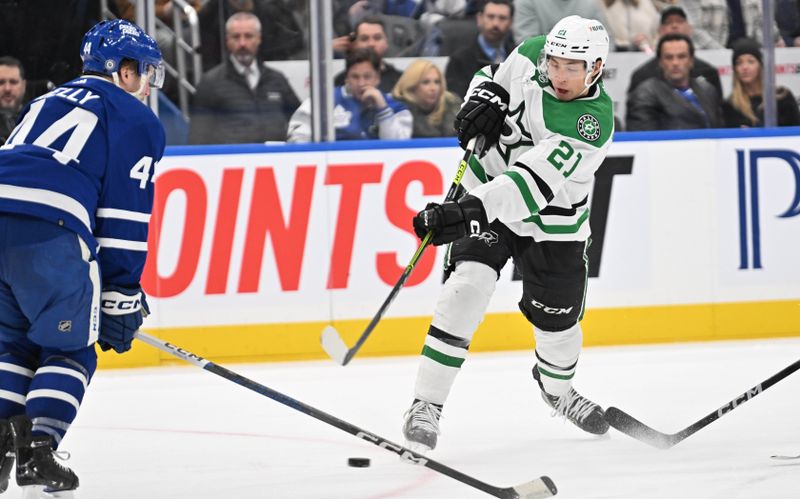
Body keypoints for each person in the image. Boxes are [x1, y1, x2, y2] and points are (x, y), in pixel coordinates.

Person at [401, 15, 614, 453]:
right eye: (555, 62)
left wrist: (462, 213)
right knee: (465, 289)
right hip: (486, 193)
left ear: (595, 68)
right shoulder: (533, 51)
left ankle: (556, 391)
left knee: (558, 331)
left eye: (572, 67)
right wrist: (484, 98)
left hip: (549, 224)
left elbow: (527, 186)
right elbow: (492, 77)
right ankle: (425, 405)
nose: (559, 74)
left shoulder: (590, 123)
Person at [0, 19, 165, 495]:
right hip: (48, 233)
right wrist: (122, 293)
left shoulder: (45, 100)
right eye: (146, 73)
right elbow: (125, 218)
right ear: (125, 71)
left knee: (13, 345)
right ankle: (39, 451)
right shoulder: (135, 119)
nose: (149, 85)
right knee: (69, 348)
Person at [189, 12, 300, 144]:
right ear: (227, 41)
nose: (242, 43)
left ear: (259, 39)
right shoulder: (210, 83)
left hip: (276, 160)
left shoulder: (277, 79)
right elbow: (198, 137)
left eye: (248, 36)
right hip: (231, 162)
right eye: (236, 37)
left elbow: (300, 121)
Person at [287, 48, 412, 141]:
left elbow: (398, 150)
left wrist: (382, 108)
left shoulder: (396, 107)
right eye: (355, 77)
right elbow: (297, 139)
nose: (361, 83)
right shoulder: (323, 101)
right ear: (346, 78)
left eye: (367, 77)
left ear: (378, 78)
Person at [626, 33, 723, 130]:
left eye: (681, 56)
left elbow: (720, 129)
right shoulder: (645, 94)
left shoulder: (708, 90)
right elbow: (644, 138)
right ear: (660, 62)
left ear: (691, 61)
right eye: (669, 57)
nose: (675, 63)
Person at [627, 6, 722, 99]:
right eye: (668, 22)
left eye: (679, 21)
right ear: (659, 30)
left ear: (690, 29)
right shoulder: (643, 75)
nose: (674, 26)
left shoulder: (708, 72)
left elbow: (716, 110)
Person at [445, 0, 515, 99]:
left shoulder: (518, 56)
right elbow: (457, 101)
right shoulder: (460, 59)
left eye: (502, 18)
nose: (495, 23)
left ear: (511, 22)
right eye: (490, 17)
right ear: (479, 18)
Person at [722, 38, 800, 127]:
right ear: (735, 69)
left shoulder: (783, 97)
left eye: (751, 61)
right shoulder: (731, 105)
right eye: (739, 63)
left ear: (760, 66)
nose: (744, 67)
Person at [333, 17, 404, 93]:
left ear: (386, 43)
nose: (371, 44)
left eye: (377, 38)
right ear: (354, 44)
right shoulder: (340, 81)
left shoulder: (400, 80)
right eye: (364, 39)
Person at [393, 59, 461, 137]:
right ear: (412, 86)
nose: (433, 88)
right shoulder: (399, 110)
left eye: (437, 82)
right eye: (426, 82)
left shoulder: (450, 104)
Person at [512, 0, 611, 45]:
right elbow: (528, 44)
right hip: (539, 70)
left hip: (587, 68)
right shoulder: (526, 2)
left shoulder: (591, 3)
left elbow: (605, 39)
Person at [0, 57, 26, 143]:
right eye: (1, 82)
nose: (7, 89)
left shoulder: (37, 118)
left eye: (13, 82)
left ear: (23, 85)